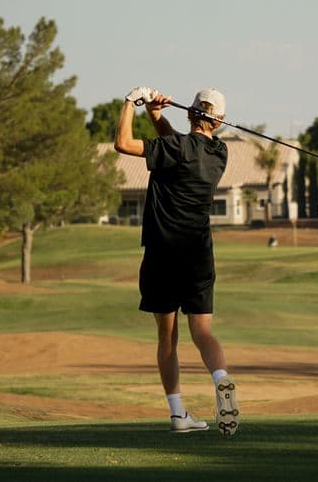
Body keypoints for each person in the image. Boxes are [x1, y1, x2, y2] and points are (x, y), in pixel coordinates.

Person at [114, 86, 240, 435]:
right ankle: (221, 378)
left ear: (191, 113)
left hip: (163, 254)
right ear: (221, 121)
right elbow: (180, 149)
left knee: (167, 339)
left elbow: (123, 144)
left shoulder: (176, 147)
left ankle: (177, 413)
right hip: (199, 254)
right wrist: (155, 115)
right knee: (203, 332)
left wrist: (130, 102)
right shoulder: (219, 153)